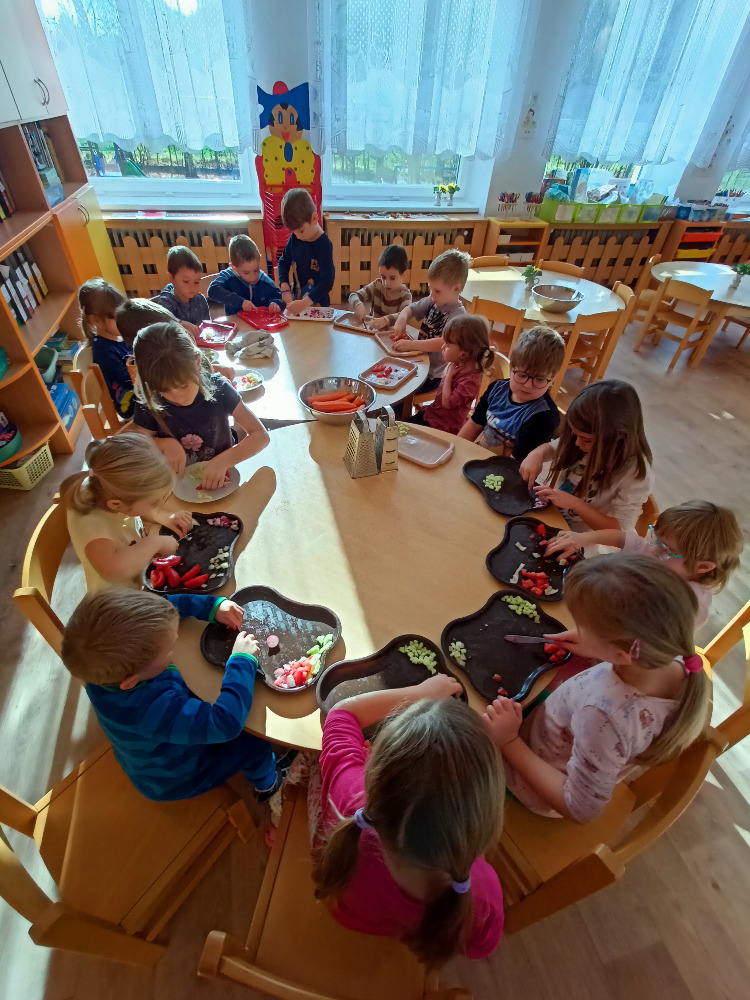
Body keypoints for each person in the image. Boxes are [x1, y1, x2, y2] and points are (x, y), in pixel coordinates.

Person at [483, 554, 711, 823]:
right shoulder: (673, 656)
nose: (579, 629)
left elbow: (579, 808)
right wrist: (596, 644)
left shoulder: (603, 716)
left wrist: (509, 741)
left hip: (533, 779)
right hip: (561, 733)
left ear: (620, 654)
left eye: (585, 626)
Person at [313, 677, 505, 964]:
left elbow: (340, 714)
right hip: (405, 931)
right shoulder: (480, 895)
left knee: (312, 767)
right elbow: (480, 946)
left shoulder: (348, 799)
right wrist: (499, 743)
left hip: (350, 913)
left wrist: (420, 692)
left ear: (373, 773)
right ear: (482, 825)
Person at [61, 588, 294, 803]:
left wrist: (212, 607)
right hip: (179, 775)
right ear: (131, 682)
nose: (173, 649)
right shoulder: (151, 709)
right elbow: (225, 724)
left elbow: (163, 607)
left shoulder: (103, 674)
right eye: (169, 649)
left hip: (155, 751)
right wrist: (242, 661)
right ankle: (268, 784)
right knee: (253, 742)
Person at [545, 500, 743, 628]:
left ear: (703, 567)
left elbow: (645, 641)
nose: (654, 548)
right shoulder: (656, 551)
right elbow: (624, 538)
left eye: (666, 548)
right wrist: (583, 538)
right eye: (655, 537)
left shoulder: (688, 605)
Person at [132, 321, 269, 489]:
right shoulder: (150, 398)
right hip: (176, 484)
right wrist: (162, 444)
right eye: (164, 390)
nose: (177, 396)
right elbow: (141, 443)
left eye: (184, 386)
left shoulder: (219, 388)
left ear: (197, 362)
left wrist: (223, 462)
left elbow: (260, 435)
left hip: (222, 480)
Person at [61, 434, 192, 592]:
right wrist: (155, 543)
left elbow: (133, 508)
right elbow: (114, 571)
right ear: (116, 504)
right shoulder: (91, 525)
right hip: (123, 599)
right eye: (153, 503)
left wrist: (164, 517)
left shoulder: (107, 488)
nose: (158, 506)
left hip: (140, 575)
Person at [520, 379, 654, 533]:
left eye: (586, 440)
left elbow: (620, 531)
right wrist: (536, 454)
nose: (577, 443)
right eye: (574, 435)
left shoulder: (635, 474)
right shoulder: (581, 440)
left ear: (618, 436)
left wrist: (575, 504)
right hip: (554, 519)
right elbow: (552, 448)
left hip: (581, 539)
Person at [458, 325, 565, 461]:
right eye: (522, 375)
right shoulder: (496, 389)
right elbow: (474, 425)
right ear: (511, 368)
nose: (528, 385)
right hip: (482, 457)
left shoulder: (544, 417)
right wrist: (456, 448)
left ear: (552, 379)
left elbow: (518, 463)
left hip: (509, 467)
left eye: (539, 379)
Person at [391, 249, 470, 393]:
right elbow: (411, 308)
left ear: (456, 289)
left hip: (432, 376)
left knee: (399, 392)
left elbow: (443, 343)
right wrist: (402, 317)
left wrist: (412, 345)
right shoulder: (433, 300)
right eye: (430, 289)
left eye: (437, 291)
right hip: (417, 363)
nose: (432, 295)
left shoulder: (458, 316)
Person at [406, 314, 493, 436]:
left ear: (463, 353)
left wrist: (449, 376)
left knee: (398, 433)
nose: (442, 347)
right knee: (397, 428)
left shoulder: (470, 381)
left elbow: (447, 404)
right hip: (432, 415)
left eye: (447, 345)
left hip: (443, 428)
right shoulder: (457, 363)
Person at [77, 278, 132, 418]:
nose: (124, 321)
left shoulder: (118, 336)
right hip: (129, 404)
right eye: (117, 317)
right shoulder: (103, 351)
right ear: (96, 320)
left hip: (138, 390)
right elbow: (126, 380)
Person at [278, 188, 335, 313]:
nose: (297, 236)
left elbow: (327, 282)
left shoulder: (325, 245)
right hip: (297, 302)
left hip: (319, 307)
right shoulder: (295, 238)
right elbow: (283, 262)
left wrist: (305, 303)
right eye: (293, 232)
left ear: (314, 219)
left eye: (301, 230)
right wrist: (285, 287)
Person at [207, 234, 284, 316]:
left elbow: (281, 298)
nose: (253, 277)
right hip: (236, 322)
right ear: (234, 268)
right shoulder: (228, 276)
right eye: (246, 273)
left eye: (256, 270)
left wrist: (276, 303)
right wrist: (240, 302)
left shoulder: (264, 280)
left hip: (261, 322)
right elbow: (212, 290)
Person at [348, 244, 412, 331]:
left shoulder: (405, 295)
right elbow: (353, 296)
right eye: (383, 277)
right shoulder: (377, 285)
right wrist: (358, 304)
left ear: (403, 274)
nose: (386, 283)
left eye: (392, 278)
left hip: (391, 335)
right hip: (373, 332)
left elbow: (406, 315)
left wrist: (386, 320)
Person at [154, 245, 210, 336]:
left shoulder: (200, 300)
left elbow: (208, 326)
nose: (192, 287)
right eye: (186, 281)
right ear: (171, 277)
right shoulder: (166, 302)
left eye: (196, 282)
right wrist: (180, 324)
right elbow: (162, 326)